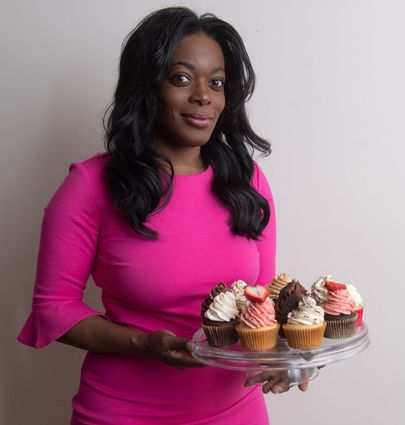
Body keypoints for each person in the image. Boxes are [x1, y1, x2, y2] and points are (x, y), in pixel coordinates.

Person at [17, 7, 304, 425]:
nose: (203, 96)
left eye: (217, 82)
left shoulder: (247, 180)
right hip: (122, 412)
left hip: (236, 412)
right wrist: (142, 342)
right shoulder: (90, 186)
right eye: (182, 78)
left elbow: (262, 303)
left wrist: (290, 359)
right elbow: (53, 309)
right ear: (146, 85)